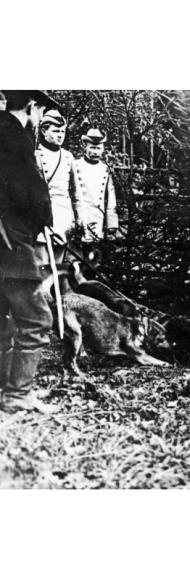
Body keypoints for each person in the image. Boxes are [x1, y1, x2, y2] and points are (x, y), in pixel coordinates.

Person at [0, 90, 61, 414]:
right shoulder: (15, 138)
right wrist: (43, 218)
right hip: (12, 241)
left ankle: (5, 389)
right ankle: (17, 394)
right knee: (37, 318)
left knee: (2, 319)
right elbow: (31, 193)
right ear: (32, 106)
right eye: (40, 113)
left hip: (6, 236)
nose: (38, 121)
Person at [35, 109, 86, 265]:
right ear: (44, 131)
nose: (60, 135)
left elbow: (76, 192)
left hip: (62, 217)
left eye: (62, 131)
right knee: (41, 264)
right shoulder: (34, 155)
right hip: (40, 217)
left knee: (58, 266)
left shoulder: (67, 157)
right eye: (55, 131)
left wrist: (80, 218)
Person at [74, 128, 119, 252]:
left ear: (103, 149)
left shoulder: (105, 169)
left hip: (98, 217)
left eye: (98, 148)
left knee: (94, 255)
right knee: (76, 253)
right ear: (85, 147)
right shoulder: (75, 165)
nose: (95, 152)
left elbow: (111, 197)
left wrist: (111, 224)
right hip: (80, 215)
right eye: (92, 148)